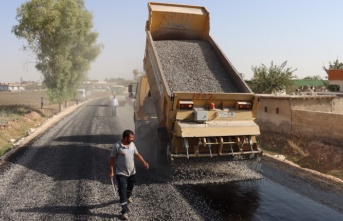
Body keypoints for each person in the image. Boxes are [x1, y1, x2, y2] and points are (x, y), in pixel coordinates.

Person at [109, 130, 149, 220]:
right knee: (122, 191)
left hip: (132, 172)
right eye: (131, 137)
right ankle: (124, 211)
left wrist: (144, 162)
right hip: (120, 173)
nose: (133, 139)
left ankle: (128, 196)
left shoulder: (132, 145)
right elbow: (112, 160)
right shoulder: (117, 146)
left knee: (130, 186)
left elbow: (137, 154)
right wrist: (111, 171)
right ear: (126, 137)